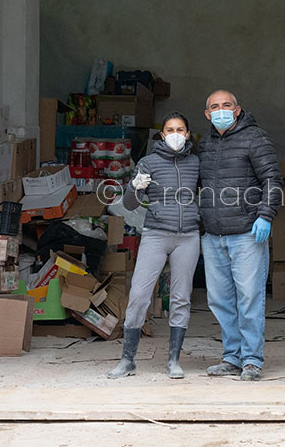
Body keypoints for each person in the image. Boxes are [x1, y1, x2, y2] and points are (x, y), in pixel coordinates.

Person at [107, 112, 200, 379]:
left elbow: (212, 191)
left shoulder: (195, 163)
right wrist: (134, 187)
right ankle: (128, 361)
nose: (175, 134)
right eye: (170, 129)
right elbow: (129, 205)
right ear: (161, 135)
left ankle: (174, 361)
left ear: (188, 134)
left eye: (180, 130)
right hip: (156, 235)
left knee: (181, 298)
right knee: (139, 296)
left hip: (188, 237)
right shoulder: (148, 163)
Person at [198, 90, 282, 381]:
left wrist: (266, 215)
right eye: (215, 107)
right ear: (208, 114)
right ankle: (231, 357)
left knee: (249, 298)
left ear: (237, 109)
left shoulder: (254, 137)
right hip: (213, 235)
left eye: (227, 105)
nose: (221, 110)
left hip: (247, 233)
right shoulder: (205, 143)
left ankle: (251, 360)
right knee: (220, 300)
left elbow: (272, 178)